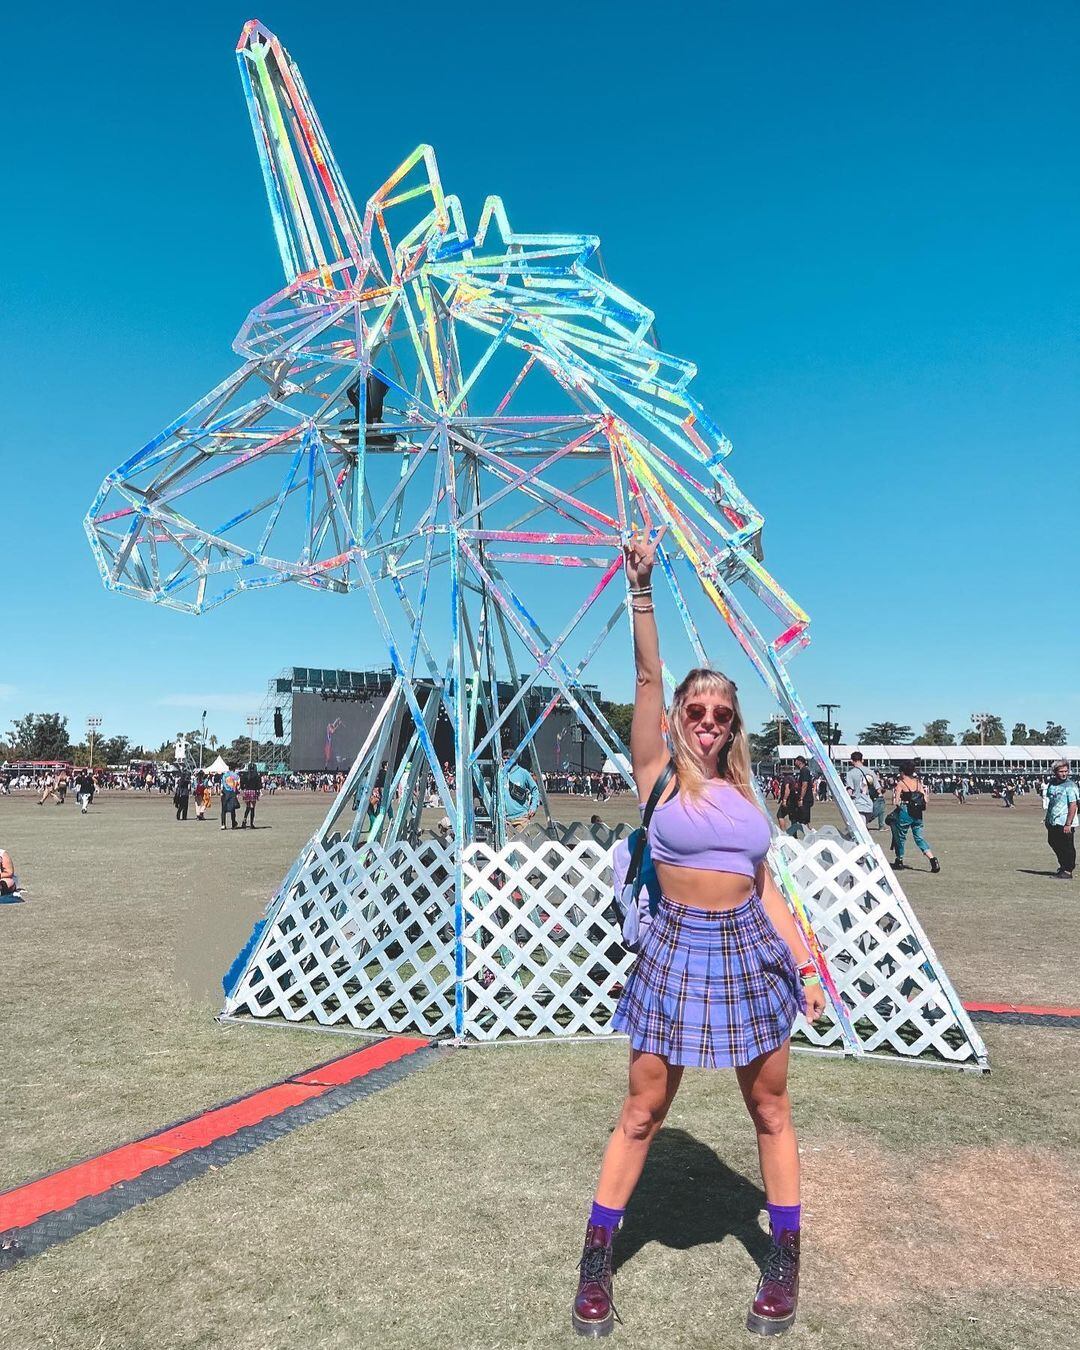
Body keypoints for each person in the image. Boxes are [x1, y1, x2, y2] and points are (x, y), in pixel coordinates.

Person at [572, 526, 826, 1340]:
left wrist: (806, 966)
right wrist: (640, 587)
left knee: (771, 1108)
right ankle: (595, 1264)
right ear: (679, 717)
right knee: (643, 1109)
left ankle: (784, 1262)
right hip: (677, 949)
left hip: (751, 952)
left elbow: (766, 891)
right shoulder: (656, 774)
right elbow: (646, 672)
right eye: (697, 709)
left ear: (733, 723)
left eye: (722, 712)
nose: (709, 720)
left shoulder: (750, 799)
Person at [889, 760, 941, 873]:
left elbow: (896, 802)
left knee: (901, 837)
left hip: (905, 811)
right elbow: (926, 799)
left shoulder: (901, 783)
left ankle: (899, 860)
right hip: (918, 813)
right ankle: (933, 860)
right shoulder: (918, 783)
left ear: (902, 772)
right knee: (919, 838)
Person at [1044, 759, 1078, 880]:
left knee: (1066, 845)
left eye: (1066, 771)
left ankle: (1068, 870)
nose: (1064, 773)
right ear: (1055, 772)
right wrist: (1047, 819)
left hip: (1066, 821)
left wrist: (1068, 824)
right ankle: (1063, 866)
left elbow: (1073, 805)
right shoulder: (1052, 784)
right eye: (1061, 771)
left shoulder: (1070, 786)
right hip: (1053, 820)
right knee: (1053, 842)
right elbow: (1051, 803)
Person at [845, 751, 881, 828]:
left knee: (859, 828)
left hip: (857, 804)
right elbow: (878, 789)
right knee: (863, 826)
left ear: (852, 761)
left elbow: (850, 791)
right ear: (862, 760)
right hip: (869, 804)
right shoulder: (870, 772)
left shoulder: (850, 773)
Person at [783, 756, 814, 838]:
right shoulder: (803, 771)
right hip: (805, 798)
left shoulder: (804, 770)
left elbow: (805, 785)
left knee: (803, 820)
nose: (794, 763)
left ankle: (811, 836)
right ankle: (802, 835)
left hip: (805, 799)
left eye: (795, 761)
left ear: (800, 761)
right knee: (802, 819)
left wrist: (801, 798)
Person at [239, 762, 262, 829]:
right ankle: (251, 823)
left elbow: (241, 783)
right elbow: (259, 786)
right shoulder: (256, 776)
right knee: (252, 808)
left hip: (246, 792)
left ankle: (244, 820)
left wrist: (243, 788)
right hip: (253, 792)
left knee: (247, 807)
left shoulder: (245, 775)